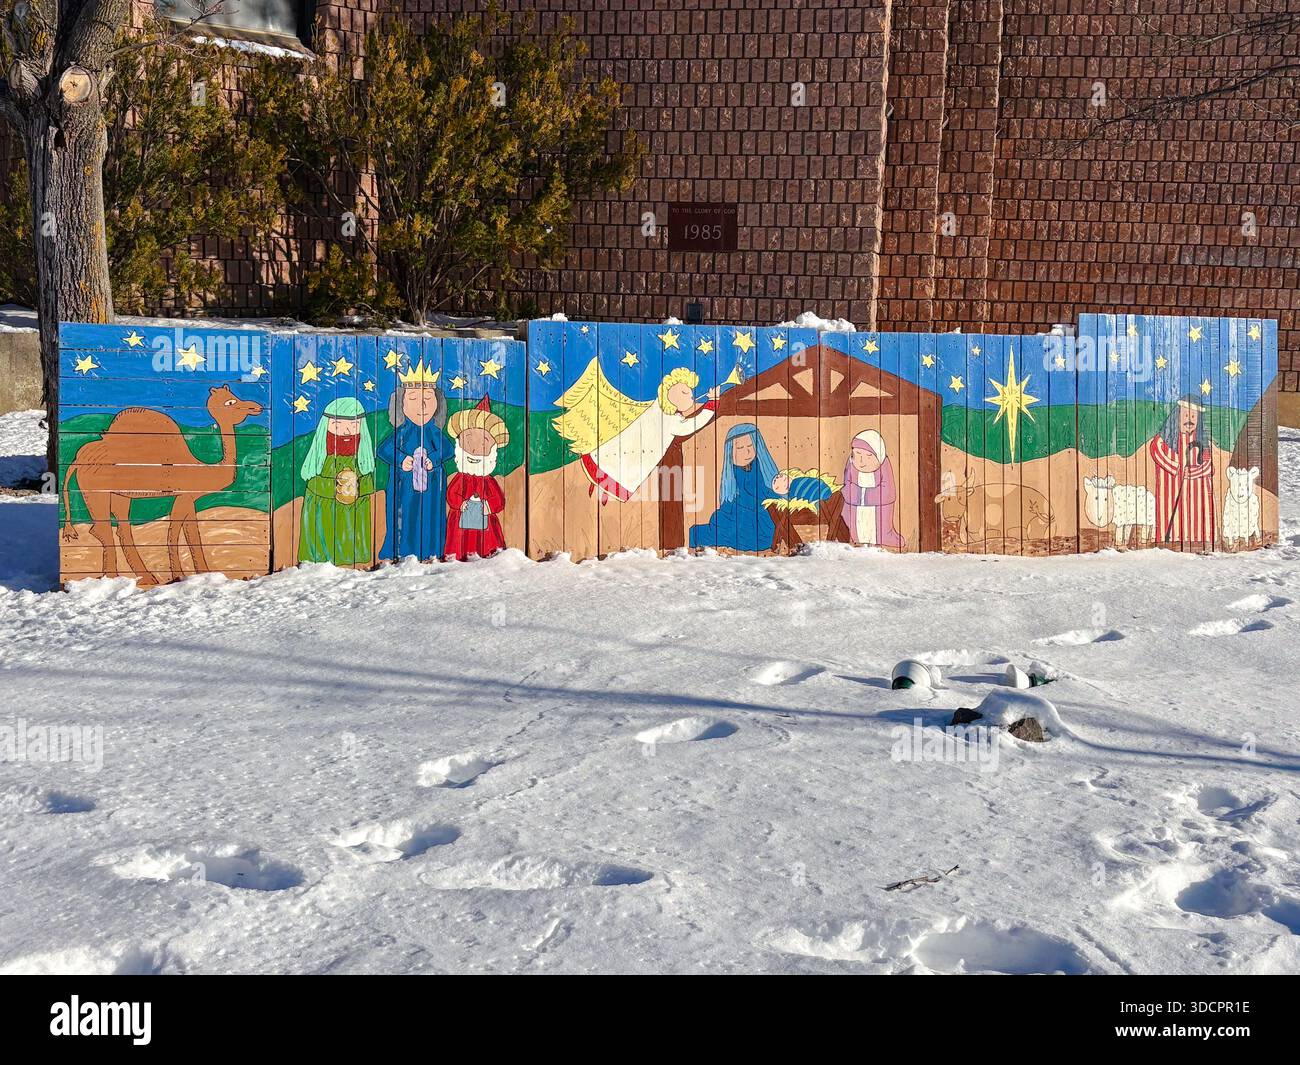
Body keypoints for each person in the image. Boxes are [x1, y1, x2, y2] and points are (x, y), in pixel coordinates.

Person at [554, 361, 724, 503]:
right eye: (685, 392)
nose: (691, 397)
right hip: (635, 453)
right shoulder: (670, 419)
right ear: (669, 391)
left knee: (613, 466)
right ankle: (602, 489)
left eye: (690, 393)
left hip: (627, 450)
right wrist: (712, 403)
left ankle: (601, 487)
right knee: (620, 471)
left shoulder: (657, 407)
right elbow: (691, 425)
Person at [380, 360, 448, 560]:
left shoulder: (434, 432)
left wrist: (433, 459)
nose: (422, 404)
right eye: (413, 398)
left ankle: (432, 549)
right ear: (401, 402)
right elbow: (384, 449)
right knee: (405, 518)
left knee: (431, 516)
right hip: (404, 488)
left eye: (428, 397)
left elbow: (447, 448)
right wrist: (401, 459)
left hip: (433, 487)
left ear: (437, 403)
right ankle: (403, 551)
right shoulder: (401, 432)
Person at [298, 396, 376, 565]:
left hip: (353, 512)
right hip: (324, 510)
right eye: (338, 425)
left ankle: (353, 555)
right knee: (325, 532)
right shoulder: (321, 459)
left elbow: (369, 482)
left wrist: (357, 486)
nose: (346, 431)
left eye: (353, 426)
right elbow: (312, 482)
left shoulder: (361, 460)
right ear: (326, 427)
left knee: (351, 533)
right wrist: (336, 487)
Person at [689, 423, 783, 551]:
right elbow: (732, 496)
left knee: (760, 534)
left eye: (750, 445)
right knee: (721, 527)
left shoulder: (760, 467)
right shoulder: (733, 472)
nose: (747, 451)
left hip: (759, 514)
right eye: (740, 447)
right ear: (730, 451)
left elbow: (766, 491)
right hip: (739, 511)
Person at [445, 395, 510, 560]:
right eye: (468, 441)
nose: (474, 449)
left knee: (487, 541)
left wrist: (488, 506)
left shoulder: (488, 481)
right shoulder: (461, 478)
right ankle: (458, 556)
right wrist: (461, 503)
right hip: (462, 521)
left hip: (484, 523)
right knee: (460, 541)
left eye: (483, 443)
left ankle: (487, 554)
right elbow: (452, 495)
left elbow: (498, 500)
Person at [1149, 394, 1215, 543]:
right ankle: (1169, 538)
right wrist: (1175, 467)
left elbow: (1209, 465)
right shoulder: (1165, 438)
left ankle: (1197, 538)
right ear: (1177, 416)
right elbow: (1155, 449)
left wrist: (1193, 472)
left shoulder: (1202, 442)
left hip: (1197, 489)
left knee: (1197, 514)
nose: (1189, 419)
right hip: (1170, 488)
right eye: (1185, 414)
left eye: (1193, 415)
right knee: (1170, 513)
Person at [842, 429, 904, 548]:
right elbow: (847, 489)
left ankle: (880, 539)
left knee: (878, 530)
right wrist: (865, 495)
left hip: (877, 512)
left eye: (869, 456)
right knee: (853, 530)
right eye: (858, 454)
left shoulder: (884, 467)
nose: (862, 460)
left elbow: (887, 493)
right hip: (855, 512)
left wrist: (861, 494)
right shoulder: (851, 466)